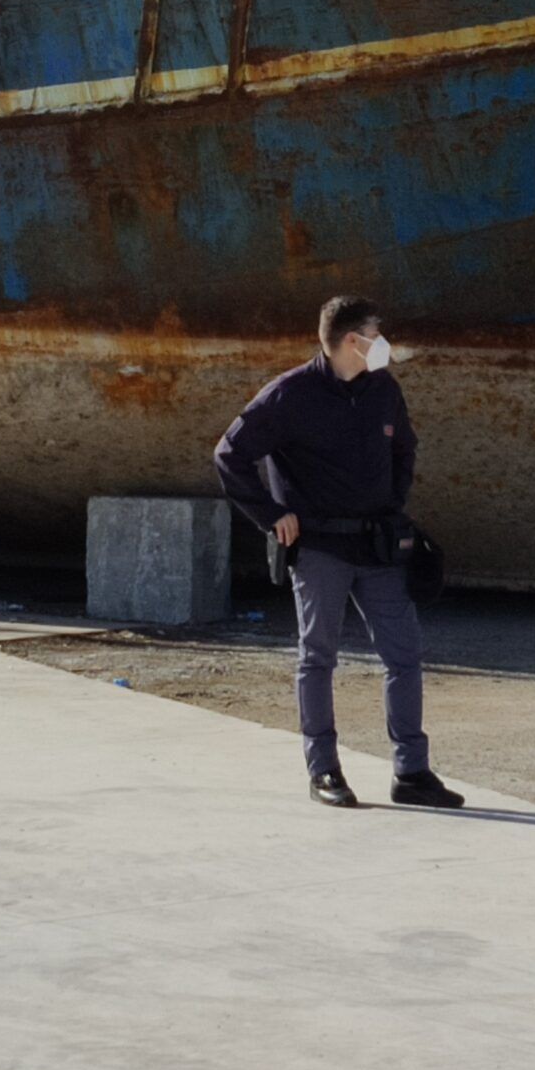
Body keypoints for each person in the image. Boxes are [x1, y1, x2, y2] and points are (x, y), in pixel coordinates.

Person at [213, 295, 463, 811]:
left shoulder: (383, 390)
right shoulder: (289, 395)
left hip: (378, 547)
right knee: (318, 658)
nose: (383, 342)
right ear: (353, 340)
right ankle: (324, 770)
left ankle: (411, 772)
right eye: (376, 332)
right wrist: (271, 515)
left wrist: (393, 506)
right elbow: (230, 455)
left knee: (404, 656)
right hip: (321, 549)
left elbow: (404, 449)